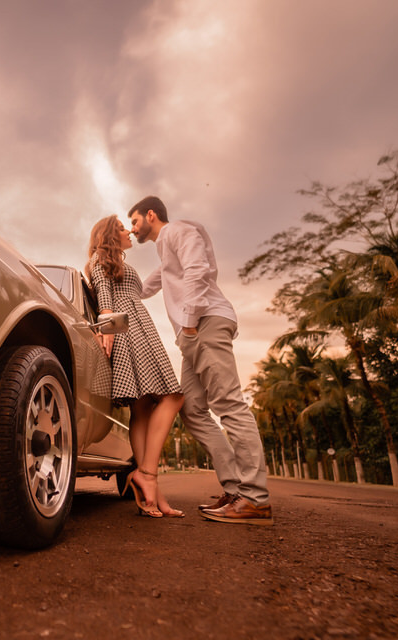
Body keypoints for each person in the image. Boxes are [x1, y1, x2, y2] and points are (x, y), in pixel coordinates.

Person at [127, 196, 273, 525]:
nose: (132, 228)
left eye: (135, 221)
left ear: (151, 215)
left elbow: (198, 270)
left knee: (229, 404)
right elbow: (143, 288)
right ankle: (236, 489)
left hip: (204, 323)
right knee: (192, 410)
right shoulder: (165, 253)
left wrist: (190, 322)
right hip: (192, 335)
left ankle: (255, 499)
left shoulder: (178, 231)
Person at [86, 215, 185, 518]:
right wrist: (107, 327)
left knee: (141, 409)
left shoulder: (116, 260)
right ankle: (147, 476)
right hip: (128, 329)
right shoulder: (100, 258)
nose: (128, 231)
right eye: (122, 227)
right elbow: (104, 295)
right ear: (109, 234)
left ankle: (151, 491)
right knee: (174, 396)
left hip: (139, 326)